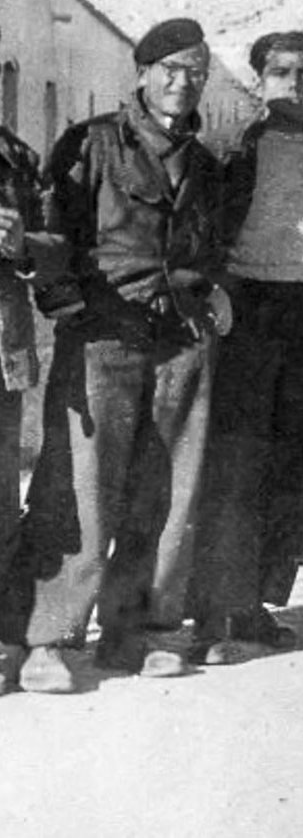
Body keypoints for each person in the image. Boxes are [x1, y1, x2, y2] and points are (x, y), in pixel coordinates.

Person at [16, 18, 225, 692]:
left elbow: (212, 244)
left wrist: (212, 295)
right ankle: (48, 638)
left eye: (194, 69)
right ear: (141, 73)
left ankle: (145, 631)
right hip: (104, 334)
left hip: (181, 337)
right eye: (168, 67)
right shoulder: (91, 144)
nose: (180, 80)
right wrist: (67, 306)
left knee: (168, 490)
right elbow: (51, 232)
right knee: (77, 488)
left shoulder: (206, 160)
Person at [190, 30, 303, 664]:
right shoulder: (230, 152)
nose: (294, 83)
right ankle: (217, 615)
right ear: (259, 82)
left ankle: (254, 604)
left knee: (289, 464)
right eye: (281, 72)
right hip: (248, 314)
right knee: (236, 469)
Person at [0, 109, 67, 694]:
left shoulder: (15, 157)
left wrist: (23, 247)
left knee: (0, 504)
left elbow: (55, 244)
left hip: (1, 352)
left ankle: (5, 638)